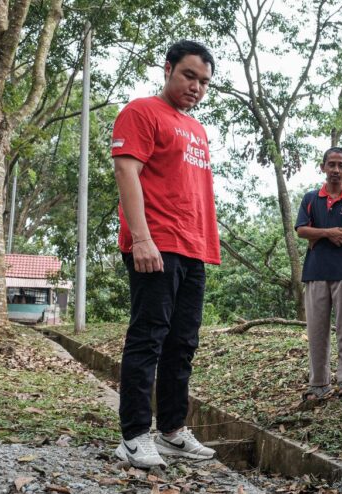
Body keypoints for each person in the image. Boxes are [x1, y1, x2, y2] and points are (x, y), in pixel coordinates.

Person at [111, 40, 220, 468]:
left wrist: (204, 244)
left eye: (204, 81)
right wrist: (141, 238)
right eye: (189, 75)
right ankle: (135, 435)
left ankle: (172, 430)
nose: (196, 86)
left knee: (182, 343)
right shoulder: (141, 111)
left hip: (193, 248)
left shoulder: (195, 128)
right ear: (168, 68)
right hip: (156, 245)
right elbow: (126, 170)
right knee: (149, 338)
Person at [295, 147, 342, 400]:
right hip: (315, 272)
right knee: (317, 329)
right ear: (323, 167)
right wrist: (331, 232)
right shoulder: (310, 198)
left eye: (341, 165)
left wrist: (321, 233)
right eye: (331, 165)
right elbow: (302, 230)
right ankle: (318, 384)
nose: (336, 170)